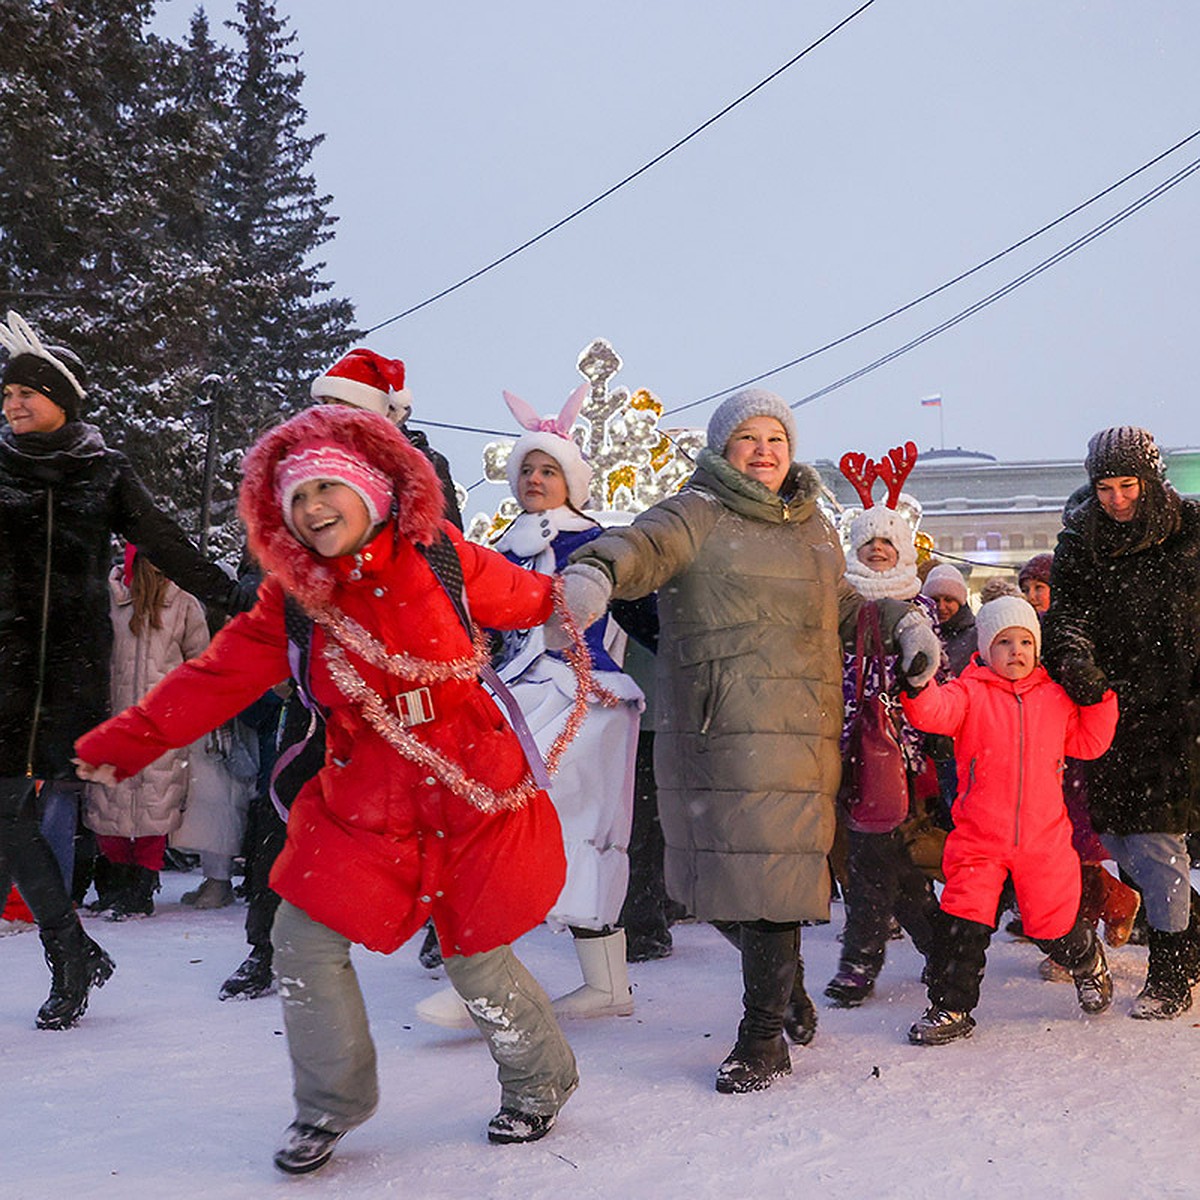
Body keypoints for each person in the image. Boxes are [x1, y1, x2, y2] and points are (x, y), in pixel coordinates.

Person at [74, 405, 579, 1174]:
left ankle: (540, 1082)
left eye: (323, 489)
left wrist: (580, 592)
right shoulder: (293, 600)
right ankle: (329, 1104)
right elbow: (215, 679)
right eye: (295, 499)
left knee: (474, 954)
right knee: (301, 939)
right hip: (365, 796)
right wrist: (127, 741)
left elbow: (531, 597)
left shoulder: (440, 556)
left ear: (371, 490)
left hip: (470, 784)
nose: (310, 510)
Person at [560, 389, 940, 1093]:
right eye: (748, 439)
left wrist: (901, 621)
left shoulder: (815, 529)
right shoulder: (696, 511)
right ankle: (783, 985)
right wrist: (595, 572)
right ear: (723, 449)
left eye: (776, 439)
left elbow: (845, 603)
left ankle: (761, 1035)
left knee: (771, 883)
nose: (764, 452)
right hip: (721, 730)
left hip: (802, 733)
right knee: (723, 886)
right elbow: (638, 547)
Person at [0, 310, 249, 1030]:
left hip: (68, 669)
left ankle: (70, 952)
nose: (12, 404)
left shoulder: (103, 472)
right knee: (8, 817)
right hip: (3, 665)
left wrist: (236, 595)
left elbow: (166, 543)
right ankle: (71, 950)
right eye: (7, 394)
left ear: (64, 400)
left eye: (27, 392)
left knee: (12, 815)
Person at [219, 347, 462, 1000]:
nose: (325, 421)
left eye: (340, 411)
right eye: (319, 408)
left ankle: (452, 922)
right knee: (286, 807)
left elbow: (446, 570)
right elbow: (264, 558)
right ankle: (264, 948)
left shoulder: (419, 471)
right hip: (317, 681)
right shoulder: (297, 474)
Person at [416, 385, 644, 1028]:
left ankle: (562, 983)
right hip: (516, 698)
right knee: (509, 823)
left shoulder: (598, 544)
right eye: (528, 470)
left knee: (571, 829)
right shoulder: (500, 549)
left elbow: (647, 615)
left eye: (549, 469)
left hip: (586, 700)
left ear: (572, 479)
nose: (536, 479)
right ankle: (526, 979)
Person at [902, 596, 1118, 1044]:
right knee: (964, 925)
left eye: (1024, 641)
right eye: (1004, 642)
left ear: (1036, 648)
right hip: (979, 838)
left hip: (1044, 841)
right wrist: (920, 683)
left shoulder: (1055, 697)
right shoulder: (969, 692)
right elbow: (931, 712)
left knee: (1055, 927)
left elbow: (1091, 743)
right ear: (985, 649)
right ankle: (951, 1006)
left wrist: (1099, 698)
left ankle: (1085, 962)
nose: (1015, 651)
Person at [1043, 426, 1200, 1019]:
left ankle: (1170, 976)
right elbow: (1068, 619)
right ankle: (1193, 937)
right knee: (1115, 842)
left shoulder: (1191, 533)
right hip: (1110, 714)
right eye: (1104, 486)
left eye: (1127, 484)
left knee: (1160, 849)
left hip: (1179, 715)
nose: (1116, 499)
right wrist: (1077, 662)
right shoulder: (1080, 543)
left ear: (1151, 480)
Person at [823, 479, 942, 1008]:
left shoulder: (917, 609)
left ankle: (860, 962)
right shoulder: (833, 605)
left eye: (887, 544)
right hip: (837, 750)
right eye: (868, 543)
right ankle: (943, 947)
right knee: (886, 860)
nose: (877, 550)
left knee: (874, 859)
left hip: (894, 755)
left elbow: (929, 677)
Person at [82, 545, 211, 920]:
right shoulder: (111, 601)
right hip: (117, 718)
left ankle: (138, 888)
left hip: (160, 722)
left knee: (154, 803)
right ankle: (119, 884)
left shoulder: (184, 604)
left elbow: (200, 659)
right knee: (111, 803)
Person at [920, 563, 977, 675]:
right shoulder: (919, 633)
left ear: (960, 602)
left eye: (948, 600)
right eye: (935, 600)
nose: (941, 607)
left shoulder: (975, 637)